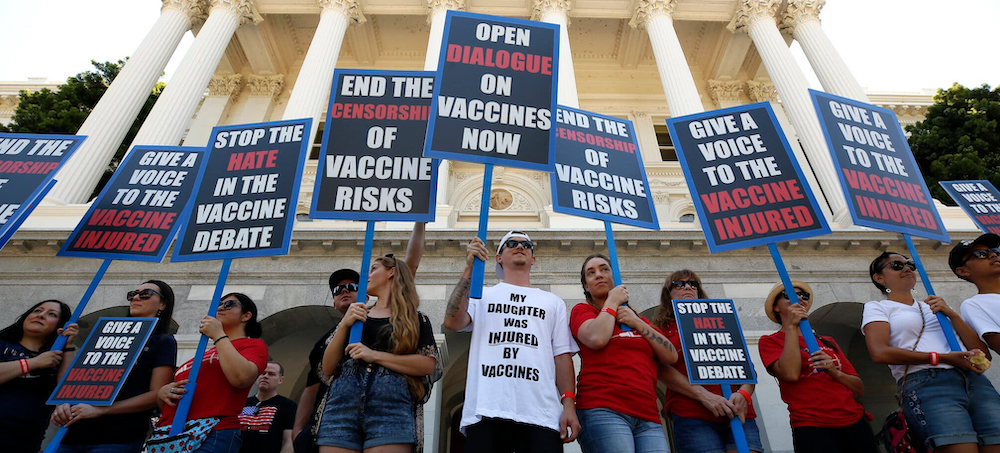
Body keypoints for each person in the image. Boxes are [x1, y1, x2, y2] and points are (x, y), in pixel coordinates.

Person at [443, 231, 581, 453]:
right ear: (498, 257)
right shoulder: (482, 295)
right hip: (487, 410)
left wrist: (568, 405)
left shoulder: (552, 302)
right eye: (511, 244)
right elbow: (452, 321)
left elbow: (561, 355)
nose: (520, 246)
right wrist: (470, 268)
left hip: (541, 414)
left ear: (533, 259)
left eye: (527, 244)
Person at [293, 224, 425, 453]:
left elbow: (408, 269)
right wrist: (297, 431)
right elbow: (315, 382)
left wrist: (420, 222)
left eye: (353, 286)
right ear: (333, 302)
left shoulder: (397, 315)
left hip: (386, 408)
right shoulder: (327, 338)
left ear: (364, 291)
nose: (344, 291)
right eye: (338, 290)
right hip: (336, 414)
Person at [863, 251, 1000, 452]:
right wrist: (941, 358)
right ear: (879, 277)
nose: (907, 268)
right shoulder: (878, 307)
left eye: (910, 264)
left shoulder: (935, 306)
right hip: (929, 383)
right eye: (897, 265)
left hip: (976, 382)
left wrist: (952, 314)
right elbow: (880, 352)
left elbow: (982, 353)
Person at [316, 253, 436, 453]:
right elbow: (327, 368)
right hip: (342, 406)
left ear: (392, 272)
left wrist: (374, 355)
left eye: (373, 269)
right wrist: (345, 324)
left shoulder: (415, 319)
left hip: (391, 408)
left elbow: (428, 365)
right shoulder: (357, 314)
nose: (367, 275)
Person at [53, 280, 178, 453]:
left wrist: (101, 409)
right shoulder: (104, 335)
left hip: (118, 436)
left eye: (145, 294)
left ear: (163, 304)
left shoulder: (163, 341)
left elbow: (157, 393)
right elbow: (73, 381)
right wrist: (63, 404)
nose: (135, 298)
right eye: (132, 294)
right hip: (73, 432)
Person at [570, 254, 677, 453]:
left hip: (648, 417)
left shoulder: (636, 319)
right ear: (586, 286)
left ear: (614, 276)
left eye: (604, 269)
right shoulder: (582, 311)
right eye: (591, 273)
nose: (599, 275)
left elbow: (670, 355)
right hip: (603, 410)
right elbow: (596, 338)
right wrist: (612, 302)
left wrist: (636, 321)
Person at [758, 280, 877, 453]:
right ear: (776, 307)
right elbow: (790, 374)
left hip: (853, 420)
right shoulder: (770, 341)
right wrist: (791, 326)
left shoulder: (827, 341)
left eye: (803, 295)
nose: (799, 298)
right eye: (789, 295)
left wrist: (835, 373)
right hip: (811, 424)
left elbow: (859, 388)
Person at [653, 270, 763, 453]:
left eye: (693, 284)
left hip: (737, 412)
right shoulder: (661, 329)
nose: (688, 287)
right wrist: (704, 396)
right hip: (693, 414)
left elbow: (746, 367)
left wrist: (744, 394)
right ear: (668, 294)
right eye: (679, 284)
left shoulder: (721, 320)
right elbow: (661, 369)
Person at [157, 292, 269, 453]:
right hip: (172, 433)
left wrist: (218, 335)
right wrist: (163, 392)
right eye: (219, 304)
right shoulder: (204, 353)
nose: (221, 307)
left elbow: (241, 377)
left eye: (229, 304)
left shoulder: (252, 345)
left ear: (246, 316)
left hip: (212, 431)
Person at [0, 299, 77, 453]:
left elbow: (66, 389)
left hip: (26, 441)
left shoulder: (56, 358)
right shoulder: (3, 344)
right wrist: (32, 363)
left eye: (51, 314)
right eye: (37, 311)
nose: (41, 315)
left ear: (59, 326)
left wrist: (68, 345)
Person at [953, 233, 1000, 354]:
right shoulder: (974, 304)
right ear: (963, 270)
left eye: (995, 251)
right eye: (981, 254)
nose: (994, 255)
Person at [239, 362, 297, 453]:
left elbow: (287, 441)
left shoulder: (288, 405)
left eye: (271, 374)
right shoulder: (242, 403)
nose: (265, 376)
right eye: (263, 373)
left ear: (280, 380)